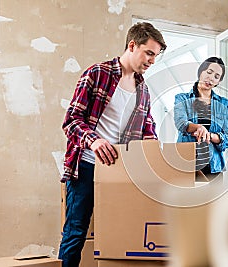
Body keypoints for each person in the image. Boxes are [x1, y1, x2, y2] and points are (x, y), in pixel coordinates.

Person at [58, 22, 166, 267]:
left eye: (156, 56)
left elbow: (148, 128)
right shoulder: (97, 73)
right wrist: (93, 141)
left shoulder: (144, 90)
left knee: (122, 234)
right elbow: (71, 120)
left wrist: (156, 155)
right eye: (149, 53)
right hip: (86, 167)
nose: (152, 61)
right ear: (132, 45)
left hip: (121, 172)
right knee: (76, 233)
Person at [174, 57, 228, 180]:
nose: (211, 78)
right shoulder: (182, 99)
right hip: (186, 163)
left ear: (218, 82)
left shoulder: (224, 103)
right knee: (186, 199)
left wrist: (209, 135)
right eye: (209, 72)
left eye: (216, 76)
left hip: (213, 167)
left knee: (214, 199)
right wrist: (199, 127)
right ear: (201, 71)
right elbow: (181, 123)